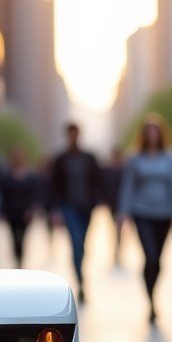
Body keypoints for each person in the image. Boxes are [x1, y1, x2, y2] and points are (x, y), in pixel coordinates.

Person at [117, 114, 172, 324]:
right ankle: (151, 302)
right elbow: (127, 186)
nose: (152, 136)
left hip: (164, 214)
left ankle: (152, 293)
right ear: (144, 136)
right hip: (142, 213)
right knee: (151, 256)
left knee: (159, 261)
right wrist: (123, 212)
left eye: (156, 132)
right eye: (149, 132)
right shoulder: (134, 158)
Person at [50, 122, 101, 302]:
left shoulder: (89, 158)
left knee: (82, 244)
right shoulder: (60, 159)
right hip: (68, 207)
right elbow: (54, 186)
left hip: (86, 208)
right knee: (76, 242)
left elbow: (97, 181)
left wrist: (97, 202)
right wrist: (55, 210)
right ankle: (80, 281)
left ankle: (81, 271)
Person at [0, 147, 40, 267]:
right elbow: (3, 194)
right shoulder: (6, 175)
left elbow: (34, 195)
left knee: (22, 237)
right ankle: (17, 257)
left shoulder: (31, 176)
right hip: (12, 212)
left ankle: (21, 260)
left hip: (26, 213)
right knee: (13, 237)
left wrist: (31, 210)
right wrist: (2, 211)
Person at [99, 147, 125, 264]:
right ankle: (115, 249)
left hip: (122, 204)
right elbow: (103, 185)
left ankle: (118, 251)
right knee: (113, 228)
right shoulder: (107, 170)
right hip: (112, 204)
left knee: (119, 228)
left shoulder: (124, 170)